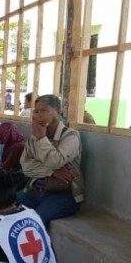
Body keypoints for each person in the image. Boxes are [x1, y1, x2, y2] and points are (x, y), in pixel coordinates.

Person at [20, 94, 84, 226]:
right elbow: (26, 165)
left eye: (44, 111)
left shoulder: (71, 135)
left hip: (62, 194)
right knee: (13, 217)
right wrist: (52, 172)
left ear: (58, 112)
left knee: (34, 223)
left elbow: (56, 161)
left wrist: (41, 138)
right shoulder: (34, 137)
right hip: (37, 189)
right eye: (36, 111)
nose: (39, 116)